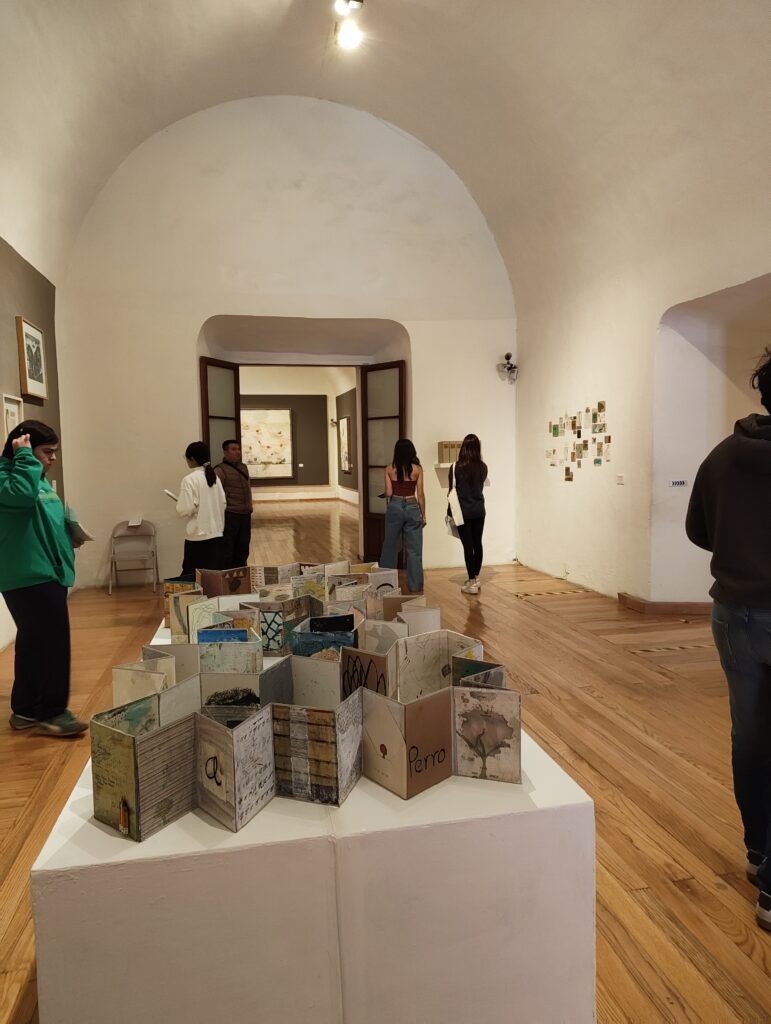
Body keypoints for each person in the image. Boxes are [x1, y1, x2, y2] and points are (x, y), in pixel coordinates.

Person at [685, 349, 771, 932]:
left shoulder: (722, 454)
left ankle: (759, 850)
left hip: (734, 613)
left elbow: (699, 530)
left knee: (750, 737)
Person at [0, 420, 87, 736]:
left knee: (33, 642)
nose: (52, 458)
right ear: (22, 447)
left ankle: (25, 710)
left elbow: (40, 520)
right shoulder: (7, 477)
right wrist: (23, 457)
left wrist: (70, 535)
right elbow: (21, 498)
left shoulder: (36, 479)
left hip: (48, 573)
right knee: (54, 644)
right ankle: (52, 712)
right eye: (46, 452)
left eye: (54, 452)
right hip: (27, 576)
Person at [379, 438, 425, 593]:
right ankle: (415, 585)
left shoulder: (389, 469)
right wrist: (423, 515)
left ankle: (385, 585)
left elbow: (389, 493)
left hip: (395, 506)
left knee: (390, 546)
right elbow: (420, 495)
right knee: (414, 550)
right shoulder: (417, 469)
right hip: (412, 507)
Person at [176, 441, 226, 581]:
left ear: (192, 458)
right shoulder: (214, 477)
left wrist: (180, 505)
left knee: (191, 575)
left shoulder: (189, 480)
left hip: (198, 535)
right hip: (216, 533)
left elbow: (185, 509)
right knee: (212, 578)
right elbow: (223, 503)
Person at [450, 433, 488, 595]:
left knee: (468, 546)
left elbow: (451, 491)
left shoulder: (456, 467)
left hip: (463, 512)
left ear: (463, 447)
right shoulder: (483, 467)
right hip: (479, 510)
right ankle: (476, 578)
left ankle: (471, 580)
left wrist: (449, 513)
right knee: (477, 543)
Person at [214, 439, 253, 568]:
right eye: (233, 449)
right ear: (225, 452)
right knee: (228, 548)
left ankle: (241, 573)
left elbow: (248, 489)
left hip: (245, 513)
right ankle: (227, 574)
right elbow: (215, 493)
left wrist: (249, 507)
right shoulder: (220, 470)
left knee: (243, 546)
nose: (237, 452)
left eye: (238, 449)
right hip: (230, 514)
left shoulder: (243, 467)